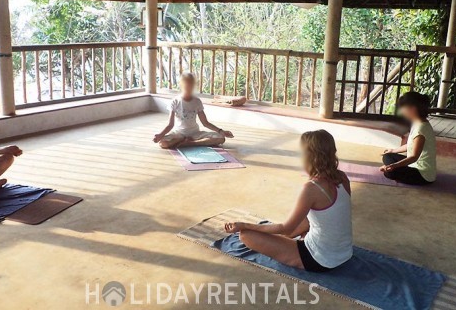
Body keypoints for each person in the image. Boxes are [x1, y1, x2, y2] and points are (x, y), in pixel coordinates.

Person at [224, 130, 352, 272]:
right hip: (344, 253)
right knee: (305, 221)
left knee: (246, 235)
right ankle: (292, 240)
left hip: (320, 260)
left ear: (310, 156)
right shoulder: (342, 177)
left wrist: (245, 225)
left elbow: (286, 229)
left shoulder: (311, 188)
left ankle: (291, 244)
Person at [153, 72, 235, 149]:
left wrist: (221, 131)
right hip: (179, 133)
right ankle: (182, 140)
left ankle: (191, 143)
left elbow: (205, 123)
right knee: (163, 143)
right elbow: (170, 125)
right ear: (182, 86)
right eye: (186, 85)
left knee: (221, 138)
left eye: (191, 85)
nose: (188, 88)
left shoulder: (197, 101)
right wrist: (161, 134)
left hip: (195, 133)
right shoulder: (175, 101)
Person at [380, 91, 436, 185]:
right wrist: (393, 150)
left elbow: (414, 157)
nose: (401, 111)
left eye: (403, 108)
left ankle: (391, 169)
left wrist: (394, 166)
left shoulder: (421, 129)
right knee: (387, 156)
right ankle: (393, 167)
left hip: (422, 174)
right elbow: (410, 145)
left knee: (389, 173)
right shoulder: (418, 123)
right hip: (413, 164)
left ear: (412, 109)